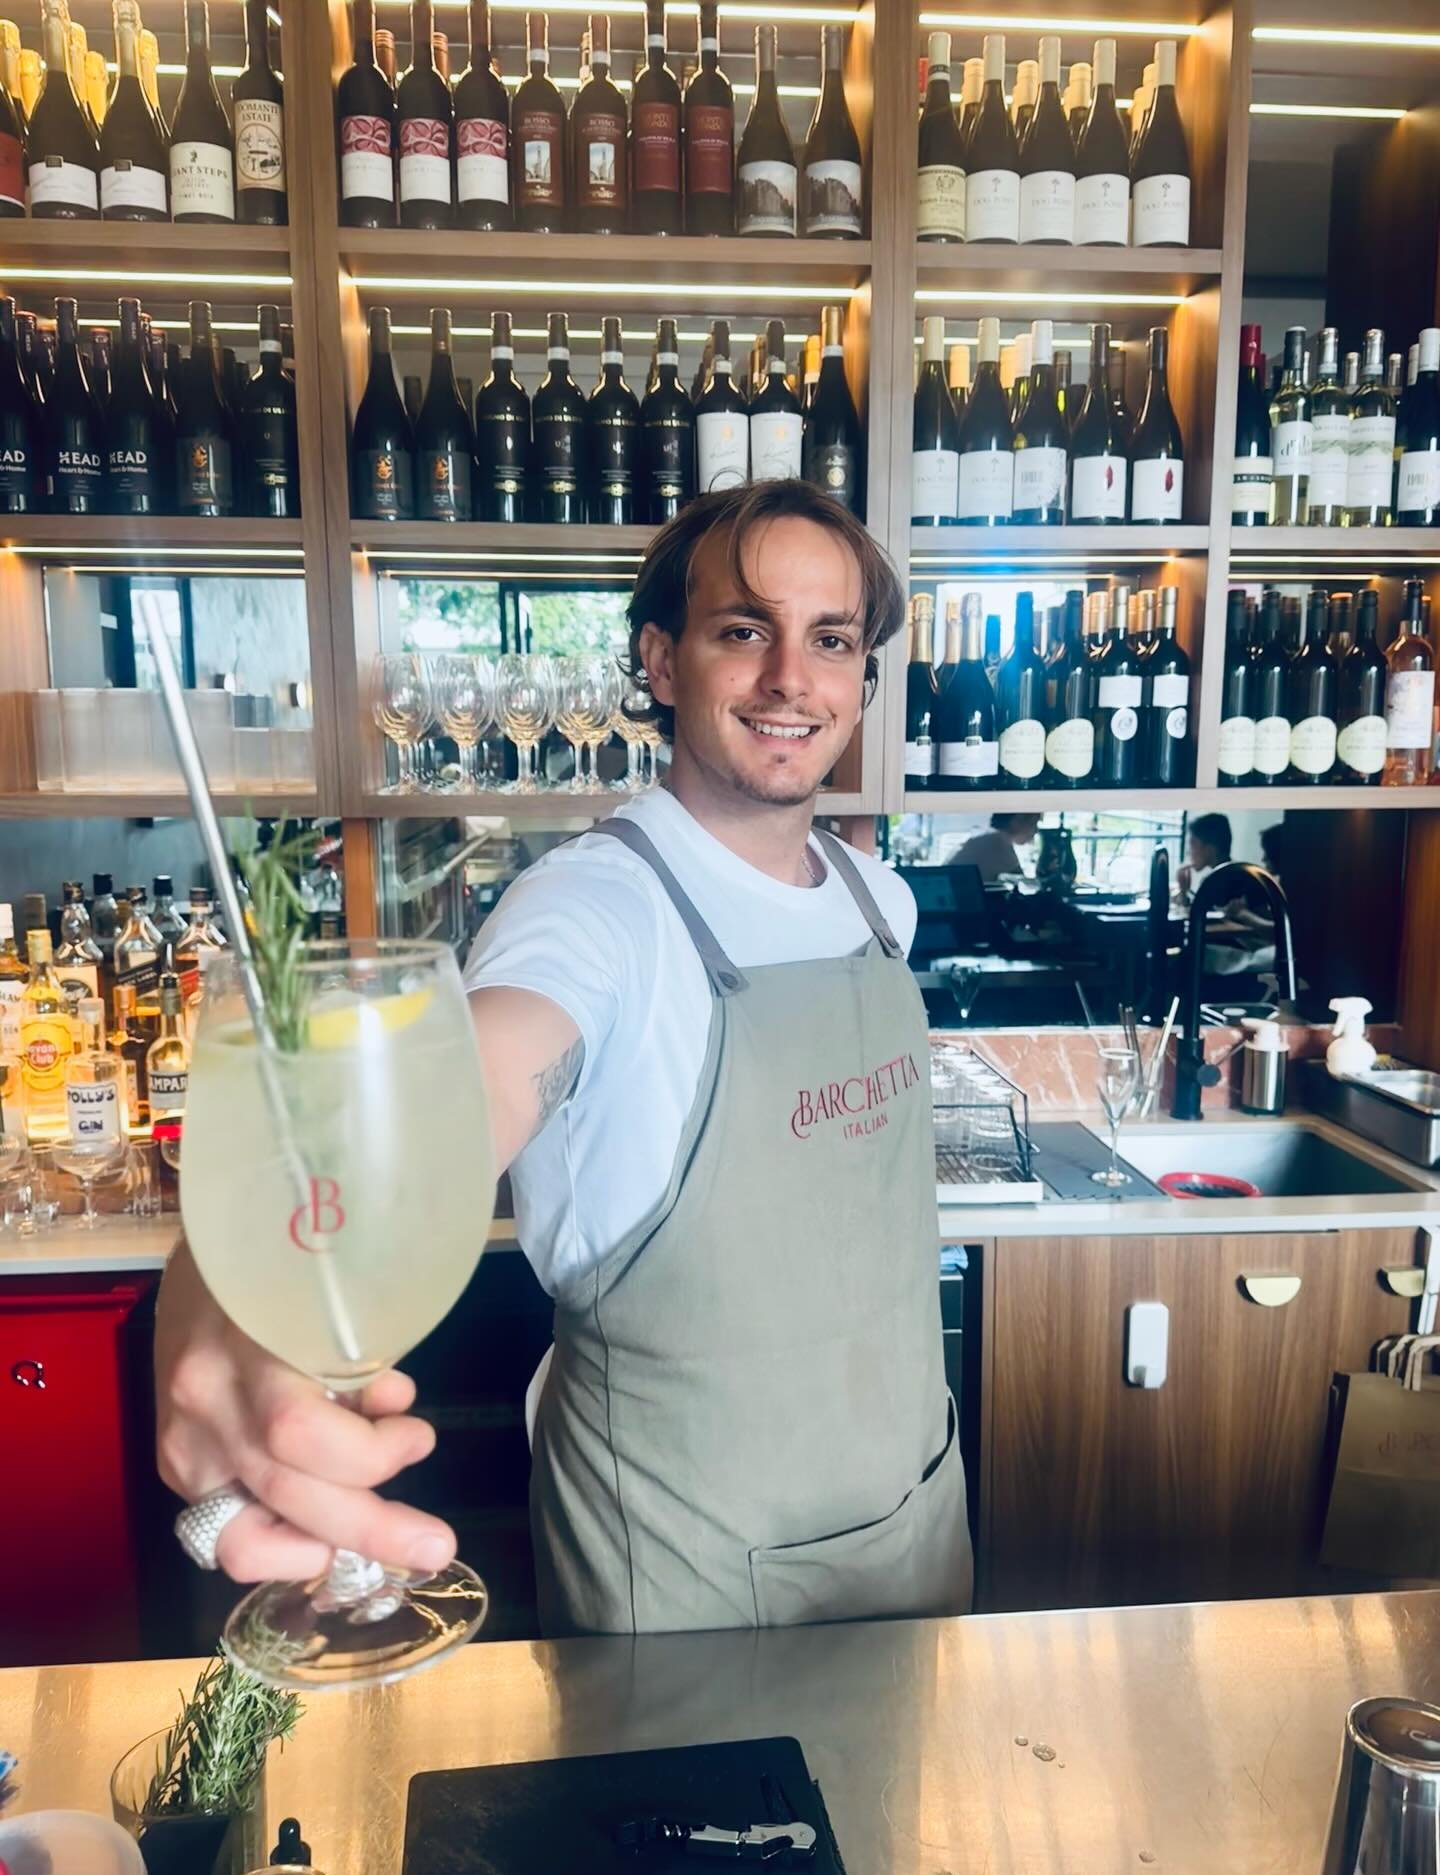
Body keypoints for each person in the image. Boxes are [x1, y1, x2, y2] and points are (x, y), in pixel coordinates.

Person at [155, 480, 973, 1638]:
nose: (793, 677)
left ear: (861, 680)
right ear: (660, 659)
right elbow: (453, 1101)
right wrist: (222, 1301)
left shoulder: (875, 899)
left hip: (915, 1528)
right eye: (745, 630)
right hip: (689, 1581)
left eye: (831, 640)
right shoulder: (593, 911)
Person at [946, 813, 1040, 883]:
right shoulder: (997, 842)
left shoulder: (989, 838)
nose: (1035, 831)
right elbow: (1020, 882)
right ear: (1016, 821)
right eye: (1033, 823)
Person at [1173, 812, 1232, 907]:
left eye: (1193, 845)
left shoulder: (1213, 882)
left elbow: (1198, 918)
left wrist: (1183, 893)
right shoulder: (1239, 873)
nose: (1189, 852)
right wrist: (1184, 891)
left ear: (1210, 849)